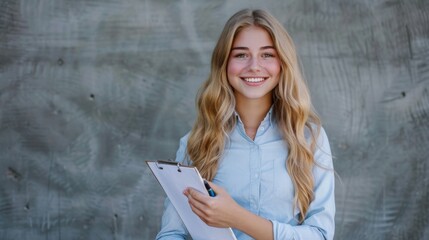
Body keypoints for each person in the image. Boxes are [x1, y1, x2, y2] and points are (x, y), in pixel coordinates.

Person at [156, 8, 335, 240]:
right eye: (241, 55)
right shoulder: (195, 142)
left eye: (267, 55)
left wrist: (236, 217)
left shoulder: (310, 139)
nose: (254, 66)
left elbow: (320, 235)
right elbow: (171, 234)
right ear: (224, 63)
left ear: (282, 63)